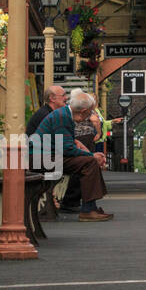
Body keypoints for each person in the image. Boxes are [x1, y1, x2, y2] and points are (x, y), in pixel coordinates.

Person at [32, 93, 112, 221]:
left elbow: (69, 142)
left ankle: (90, 207)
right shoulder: (63, 117)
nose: (91, 116)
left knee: (89, 161)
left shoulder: (63, 114)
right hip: (41, 158)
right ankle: (88, 209)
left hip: (45, 155)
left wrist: (86, 151)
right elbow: (67, 148)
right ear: (84, 111)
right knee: (89, 163)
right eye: (90, 112)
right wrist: (92, 155)